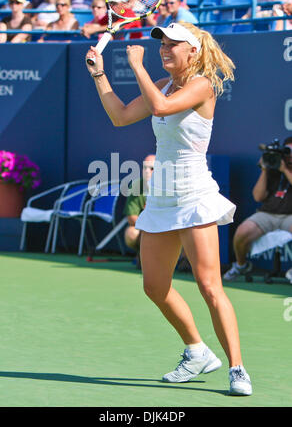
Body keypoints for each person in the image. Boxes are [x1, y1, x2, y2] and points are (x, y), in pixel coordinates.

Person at [85, 21, 252, 396]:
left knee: (210, 286)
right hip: (161, 198)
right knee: (155, 286)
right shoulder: (162, 84)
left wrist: (138, 65)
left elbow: (161, 107)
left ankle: (237, 368)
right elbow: (121, 115)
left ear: (193, 51)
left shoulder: (203, 85)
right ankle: (197, 351)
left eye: (174, 44)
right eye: (162, 42)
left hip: (193, 195)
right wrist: (100, 76)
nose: (164, 48)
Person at [223, 137, 292, 282]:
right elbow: (258, 197)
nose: (289, 155)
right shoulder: (274, 168)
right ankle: (241, 265)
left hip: (289, 216)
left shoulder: (283, 169)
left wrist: (285, 170)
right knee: (242, 232)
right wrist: (265, 169)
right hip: (267, 214)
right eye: (287, 151)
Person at [123, 154, 155, 267]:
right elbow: (131, 217)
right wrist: (147, 227)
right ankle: (143, 256)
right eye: (144, 167)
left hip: (166, 230)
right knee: (131, 233)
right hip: (145, 229)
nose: (147, 171)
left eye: (152, 168)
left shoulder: (168, 186)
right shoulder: (137, 185)